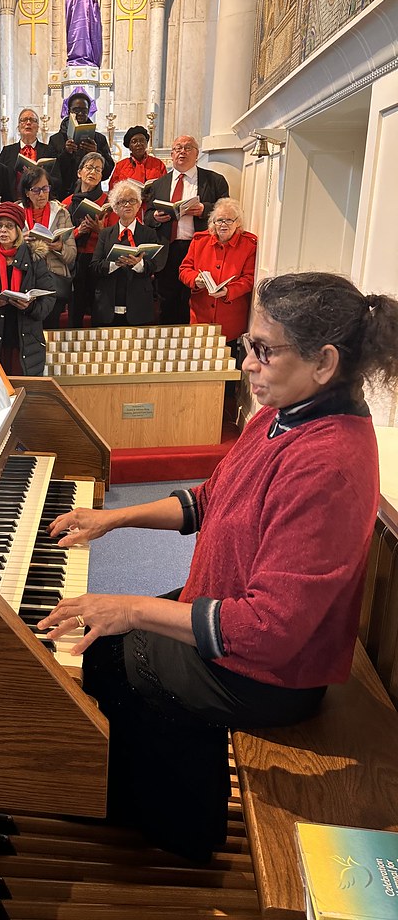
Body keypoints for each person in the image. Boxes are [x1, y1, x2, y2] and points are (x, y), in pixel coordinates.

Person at [38, 271, 398, 862]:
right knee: (108, 637)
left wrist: (129, 607)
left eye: (262, 349)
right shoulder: (284, 412)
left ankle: (178, 834)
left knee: (112, 658)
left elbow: (272, 631)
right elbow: (214, 497)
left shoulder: (329, 462)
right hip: (240, 618)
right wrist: (112, 521)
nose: (247, 363)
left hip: (272, 676)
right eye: (247, 346)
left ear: (325, 362)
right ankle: (142, 800)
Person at [144, 135, 230, 324]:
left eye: (188, 148)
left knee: (195, 300)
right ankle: (167, 345)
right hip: (169, 249)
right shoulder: (158, 184)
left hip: (200, 249)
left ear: (197, 154)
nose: (182, 151)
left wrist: (204, 210)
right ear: (172, 154)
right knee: (167, 300)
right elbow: (147, 215)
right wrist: (156, 217)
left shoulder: (214, 180)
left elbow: (226, 209)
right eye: (178, 148)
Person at [0, 201, 56, 376]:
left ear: (18, 229)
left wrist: (30, 306)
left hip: (25, 340)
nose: (3, 230)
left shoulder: (34, 259)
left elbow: (49, 299)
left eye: (9, 226)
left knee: (25, 391)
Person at [179, 198, 258, 348]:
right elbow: (184, 270)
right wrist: (195, 279)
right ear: (212, 223)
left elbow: (249, 279)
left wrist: (228, 291)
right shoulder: (199, 240)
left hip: (230, 320)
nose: (223, 224)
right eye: (219, 220)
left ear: (238, 223)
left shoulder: (249, 244)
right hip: (200, 317)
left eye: (229, 220)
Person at [90, 181, 165, 326]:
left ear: (138, 205)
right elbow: (95, 266)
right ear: (115, 207)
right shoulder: (105, 234)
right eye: (122, 201)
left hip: (139, 304)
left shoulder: (149, 233)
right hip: (107, 303)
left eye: (132, 201)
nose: (127, 205)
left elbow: (154, 265)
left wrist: (139, 264)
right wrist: (114, 264)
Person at [20, 165, 75, 329]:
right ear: (26, 192)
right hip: (24, 279)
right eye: (36, 190)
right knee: (27, 328)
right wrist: (21, 241)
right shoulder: (17, 213)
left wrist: (58, 247)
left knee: (51, 328)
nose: (42, 194)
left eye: (45, 188)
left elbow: (72, 255)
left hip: (53, 280)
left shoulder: (61, 213)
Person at [63, 153, 112, 327]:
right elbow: (61, 235)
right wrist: (79, 231)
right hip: (76, 260)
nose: (93, 172)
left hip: (98, 259)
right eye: (89, 167)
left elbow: (116, 235)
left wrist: (100, 230)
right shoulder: (67, 202)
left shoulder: (108, 202)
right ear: (79, 172)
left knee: (99, 311)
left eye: (98, 169)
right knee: (75, 310)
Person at [47, 90, 114, 198]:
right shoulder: (56, 139)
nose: (80, 114)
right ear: (69, 111)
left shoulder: (99, 139)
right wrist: (66, 153)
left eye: (84, 111)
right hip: (63, 194)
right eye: (76, 110)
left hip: (92, 194)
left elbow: (107, 172)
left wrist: (96, 153)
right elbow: (51, 172)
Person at [0, 107, 62, 196]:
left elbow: (57, 180)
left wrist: (42, 176)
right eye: (23, 120)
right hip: (13, 202)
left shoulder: (49, 151)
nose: (28, 123)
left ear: (38, 127)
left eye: (32, 120)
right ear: (18, 127)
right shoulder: (7, 151)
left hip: (40, 201)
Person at [108, 125, 167, 209]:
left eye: (142, 140)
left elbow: (165, 187)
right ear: (129, 146)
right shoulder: (121, 166)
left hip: (153, 209)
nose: (138, 144)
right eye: (134, 141)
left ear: (147, 143)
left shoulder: (158, 164)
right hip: (128, 209)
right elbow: (113, 191)